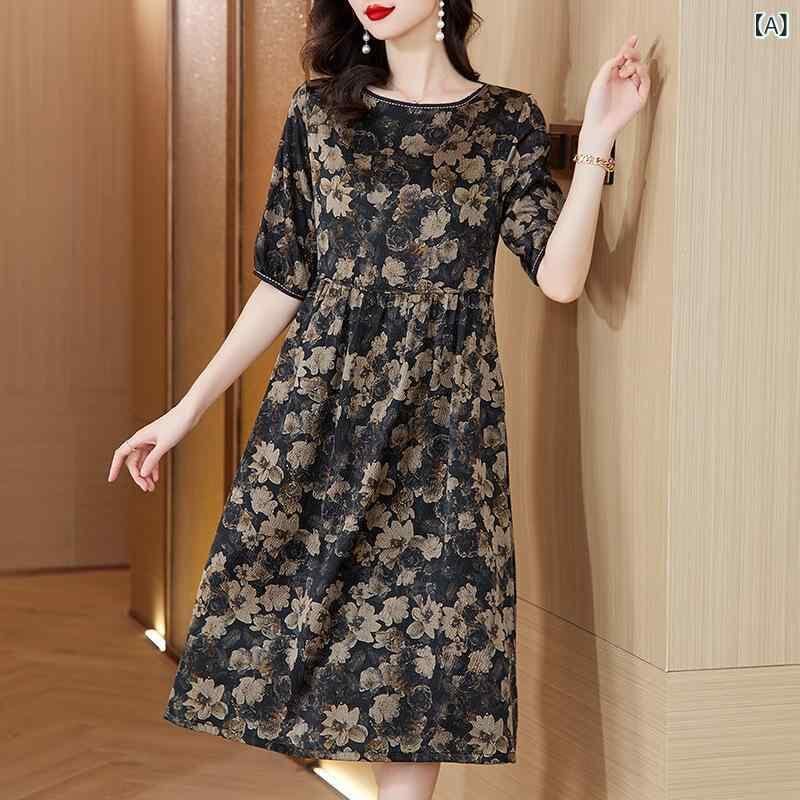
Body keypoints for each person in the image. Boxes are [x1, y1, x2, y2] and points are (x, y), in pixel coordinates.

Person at [108, 1, 649, 797]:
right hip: (325, 419)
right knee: (306, 628)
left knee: (421, 669)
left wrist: (598, 138)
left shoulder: (505, 123)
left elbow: (562, 278)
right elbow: (284, 282)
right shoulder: (320, 116)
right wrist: (184, 411)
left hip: (446, 429)